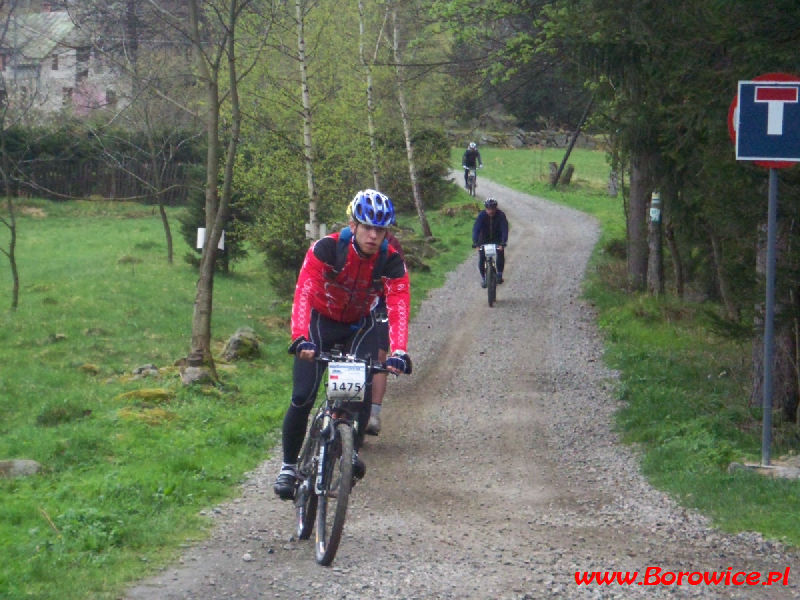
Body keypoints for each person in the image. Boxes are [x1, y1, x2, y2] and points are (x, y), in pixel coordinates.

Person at [273, 189, 413, 500]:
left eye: (381, 229)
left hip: (358, 325)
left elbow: (399, 303)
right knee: (302, 395)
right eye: (367, 227)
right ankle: (287, 466)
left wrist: (399, 350)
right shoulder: (326, 248)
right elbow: (303, 292)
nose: (374, 235)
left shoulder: (390, 261)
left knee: (356, 390)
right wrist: (299, 337)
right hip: (320, 323)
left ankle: (346, 444)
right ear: (353, 224)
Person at [365, 225, 405, 436]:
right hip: (354, 304)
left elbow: (398, 281)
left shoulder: (392, 246)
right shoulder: (347, 244)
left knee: (379, 355)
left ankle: (373, 412)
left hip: (381, 304)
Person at [472, 197, 509, 287]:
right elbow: (476, 229)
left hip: (497, 238)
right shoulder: (481, 215)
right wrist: (476, 242)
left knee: (500, 253)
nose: (491, 211)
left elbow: (504, 229)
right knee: (482, 257)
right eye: (489, 209)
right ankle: (484, 278)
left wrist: (503, 242)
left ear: (496, 208)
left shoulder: (501, 215)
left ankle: (499, 274)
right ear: (486, 209)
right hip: (483, 239)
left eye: (493, 209)